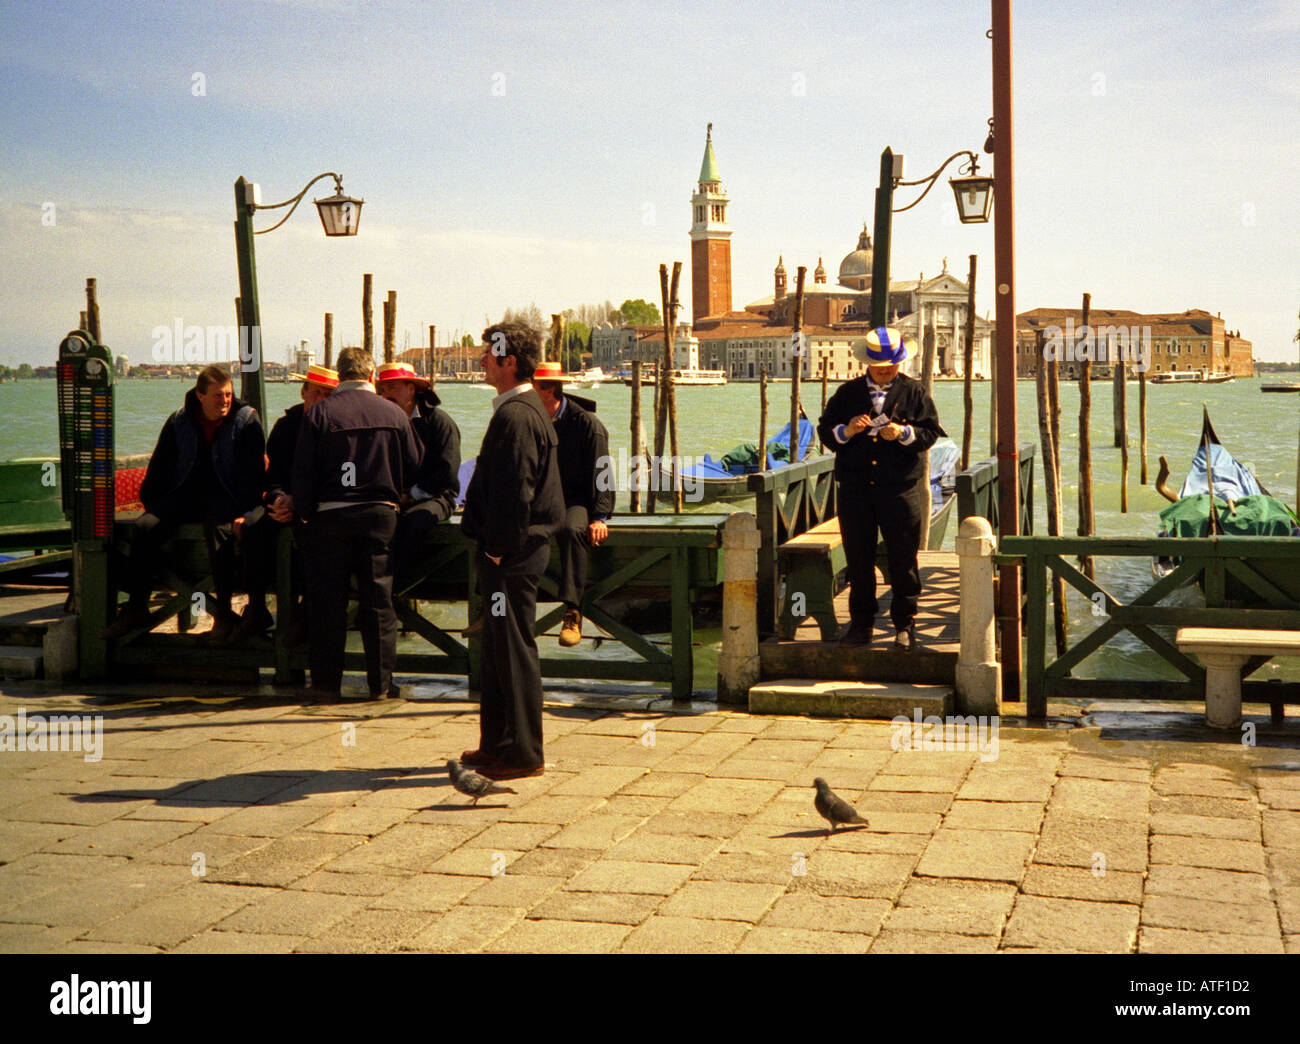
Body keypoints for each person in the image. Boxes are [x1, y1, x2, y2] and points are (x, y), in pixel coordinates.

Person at [459, 322, 564, 780]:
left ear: (509, 362)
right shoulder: (521, 409)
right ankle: (498, 742)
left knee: (515, 647)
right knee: (499, 647)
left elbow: (515, 490)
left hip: (514, 553)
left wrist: (500, 549)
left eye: (488, 354)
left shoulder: (517, 416)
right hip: (516, 549)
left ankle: (523, 753)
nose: (481, 360)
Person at [291, 347, 422, 701]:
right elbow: (414, 464)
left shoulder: (319, 414)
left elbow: (303, 473)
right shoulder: (394, 414)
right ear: (371, 376)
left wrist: (304, 513)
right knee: (378, 601)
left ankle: (325, 684)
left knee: (327, 602)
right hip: (380, 515)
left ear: (340, 375)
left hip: (330, 516)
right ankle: (379, 685)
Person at [103, 365, 266, 642]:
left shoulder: (246, 420)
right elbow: (160, 468)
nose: (224, 401)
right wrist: (155, 505)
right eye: (217, 396)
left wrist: (249, 512)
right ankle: (137, 608)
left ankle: (223, 614)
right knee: (144, 526)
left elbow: (255, 475)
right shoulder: (179, 420)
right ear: (200, 396)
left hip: (229, 497)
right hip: (186, 497)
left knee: (219, 531)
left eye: (227, 394)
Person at [817, 326, 945, 651]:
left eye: (891, 365)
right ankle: (861, 626)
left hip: (900, 490)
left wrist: (903, 434)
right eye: (879, 366)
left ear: (900, 362)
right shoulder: (847, 393)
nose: (886, 370)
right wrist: (846, 431)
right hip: (856, 490)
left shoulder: (915, 393)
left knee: (904, 559)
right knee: (858, 559)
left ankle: (905, 625)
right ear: (868, 364)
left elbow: (930, 432)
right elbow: (825, 431)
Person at [239, 362, 339, 646]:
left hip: (318, 505)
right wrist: (279, 499)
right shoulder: (287, 426)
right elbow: (271, 478)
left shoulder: (338, 426)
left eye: (327, 394)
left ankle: (303, 614)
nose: (320, 399)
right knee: (253, 526)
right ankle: (256, 607)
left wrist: (301, 501)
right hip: (286, 501)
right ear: (304, 391)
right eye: (316, 392)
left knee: (313, 537)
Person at [531, 360, 614, 646]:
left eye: (533, 388)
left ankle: (572, 610)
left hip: (575, 500)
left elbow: (603, 471)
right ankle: (493, 606)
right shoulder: (532, 420)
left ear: (550, 389)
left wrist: (600, 517)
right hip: (541, 497)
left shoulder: (587, 424)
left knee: (571, 530)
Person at [374, 362, 461, 592]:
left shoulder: (440, 423)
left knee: (412, 523)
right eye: (383, 390)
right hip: (393, 496)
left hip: (437, 495)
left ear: (411, 388)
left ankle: (397, 589)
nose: (386, 395)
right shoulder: (381, 422)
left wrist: (409, 495)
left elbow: (446, 471)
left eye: (392, 388)